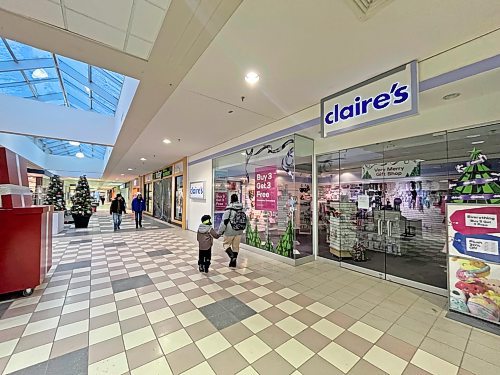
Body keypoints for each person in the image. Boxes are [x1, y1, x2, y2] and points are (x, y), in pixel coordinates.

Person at [219, 194, 247, 267]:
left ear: (231, 199)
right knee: (236, 246)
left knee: (226, 244)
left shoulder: (229, 209)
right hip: (239, 230)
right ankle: (233, 262)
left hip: (230, 230)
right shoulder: (241, 208)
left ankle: (231, 256)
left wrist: (220, 232)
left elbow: (224, 221)